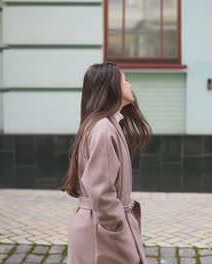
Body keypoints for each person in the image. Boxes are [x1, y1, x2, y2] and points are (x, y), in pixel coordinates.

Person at [60, 62, 152, 264]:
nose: (130, 85)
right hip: (102, 234)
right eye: (124, 80)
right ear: (112, 87)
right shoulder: (104, 128)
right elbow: (101, 191)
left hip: (98, 228)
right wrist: (118, 227)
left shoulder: (105, 124)